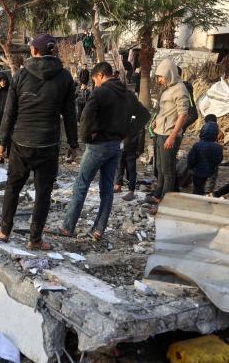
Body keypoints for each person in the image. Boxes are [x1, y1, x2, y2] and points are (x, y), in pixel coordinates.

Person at [0, 34, 78, 250]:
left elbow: (9, 113)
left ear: (33, 51)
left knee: (13, 187)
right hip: (48, 145)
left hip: (21, 143)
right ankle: (34, 239)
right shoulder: (65, 78)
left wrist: (2, 141)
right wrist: (73, 143)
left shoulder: (20, 75)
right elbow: (70, 114)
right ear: (53, 52)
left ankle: (4, 231)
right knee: (43, 193)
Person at [56, 62, 150, 241]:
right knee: (106, 189)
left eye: (94, 80)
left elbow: (85, 118)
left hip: (98, 145)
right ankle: (98, 229)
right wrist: (125, 133)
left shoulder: (100, 92)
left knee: (81, 185)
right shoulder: (127, 94)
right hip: (115, 146)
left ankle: (68, 226)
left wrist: (85, 139)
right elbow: (144, 115)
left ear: (99, 75)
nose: (95, 84)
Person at [146, 58, 190, 207]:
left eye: (161, 76)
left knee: (168, 170)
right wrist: (156, 120)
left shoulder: (180, 89)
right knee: (159, 167)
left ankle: (165, 200)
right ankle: (158, 193)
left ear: (169, 74)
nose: (159, 80)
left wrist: (172, 136)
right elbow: (165, 110)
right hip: (160, 132)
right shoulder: (168, 88)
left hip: (170, 134)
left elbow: (183, 114)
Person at [188, 122, 223, 195]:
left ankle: (197, 200)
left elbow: (191, 158)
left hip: (197, 172)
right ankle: (207, 196)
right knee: (208, 188)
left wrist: (191, 167)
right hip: (211, 171)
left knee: (197, 189)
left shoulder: (197, 145)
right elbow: (219, 159)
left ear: (202, 132)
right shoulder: (218, 147)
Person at [202, 114, 225, 193]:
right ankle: (208, 192)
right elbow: (220, 155)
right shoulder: (219, 131)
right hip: (213, 158)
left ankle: (201, 190)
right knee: (212, 177)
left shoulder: (204, 128)